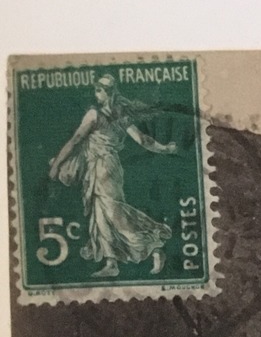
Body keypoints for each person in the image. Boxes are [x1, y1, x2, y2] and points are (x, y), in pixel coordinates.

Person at [47, 74, 178, 279]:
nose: (95, 94)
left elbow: (75, 141)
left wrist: (56, 165)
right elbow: (143, 140)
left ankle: (153, 248)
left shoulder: (93, 115)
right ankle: (111, 262)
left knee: (111, 213)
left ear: (107, 93)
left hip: (101, 168)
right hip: (111, 168)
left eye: (98, 90)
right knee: (103, 213)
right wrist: (165, 149)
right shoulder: (121, 116)